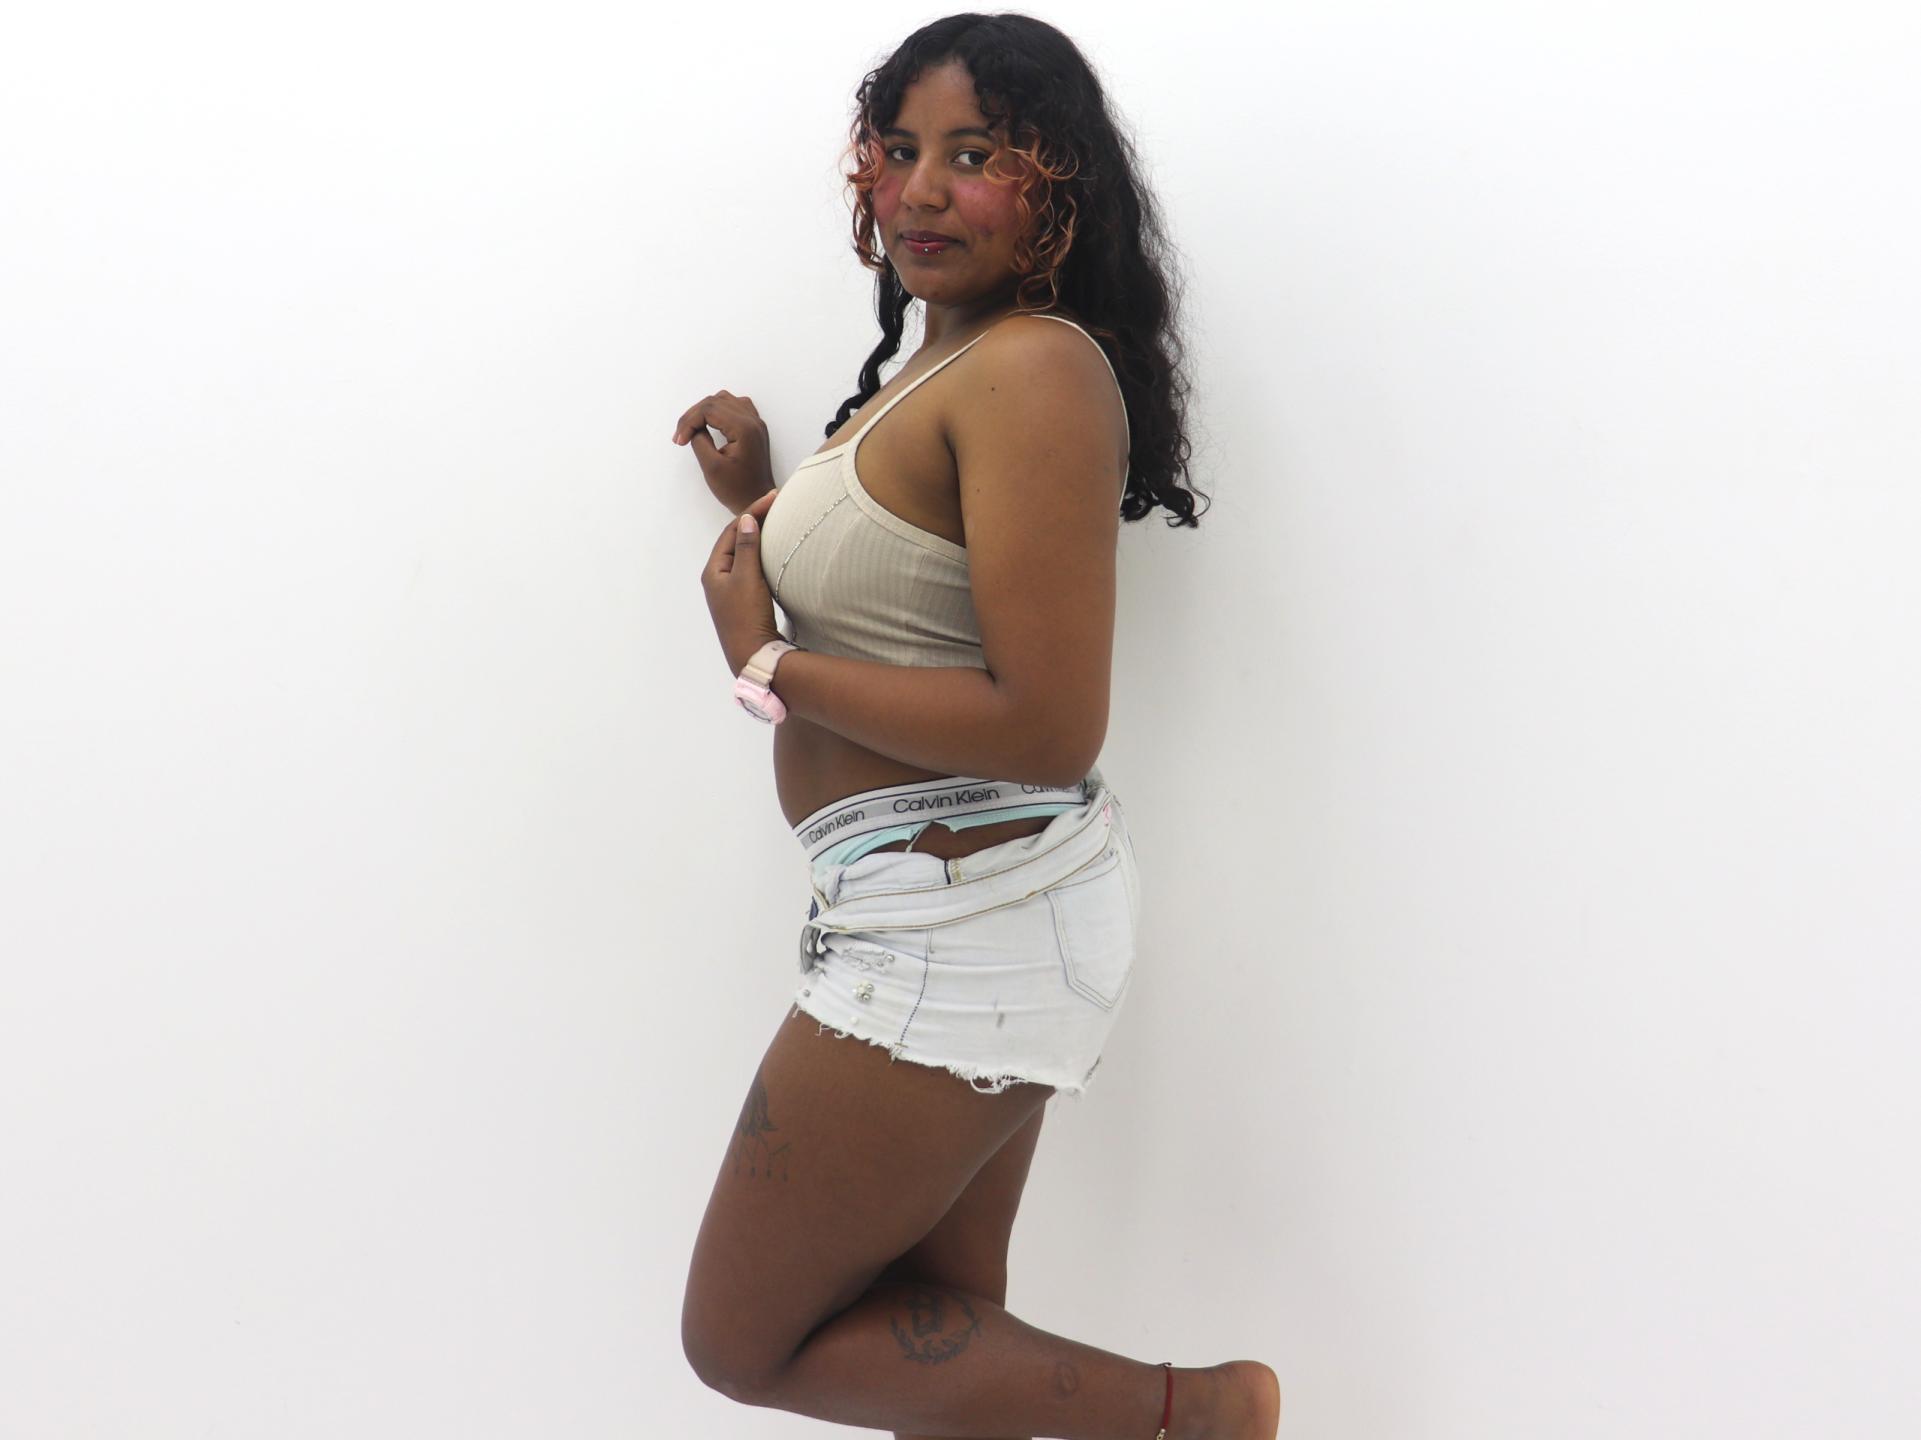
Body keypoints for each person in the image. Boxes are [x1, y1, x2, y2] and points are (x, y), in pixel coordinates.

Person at [671, 15, 1277, 1438]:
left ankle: (1195, 1416)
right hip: (952, 906)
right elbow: (905, 592)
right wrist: (764, 500)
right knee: (942, 1345)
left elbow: (1044, 724)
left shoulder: (1032, 372)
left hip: (966, 919)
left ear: (1057, 187)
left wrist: (767, 659)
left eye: (977, 154)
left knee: (740, 1340)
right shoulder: (947, 367)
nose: (923, 190)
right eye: (897, 151)